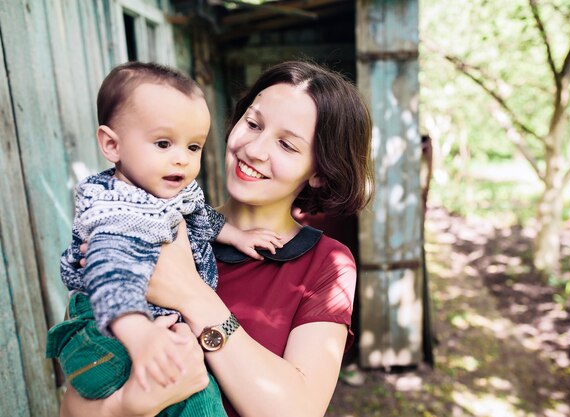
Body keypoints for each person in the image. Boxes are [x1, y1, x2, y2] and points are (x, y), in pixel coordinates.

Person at [58, 60, 374, 417]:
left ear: (319, 171)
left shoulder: (326, 264)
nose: (254, 149)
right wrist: (131, 405)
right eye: (253, 124)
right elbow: (73, 403)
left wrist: (191, 295)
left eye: (286, 145)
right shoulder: (148, 222)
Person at [47, 62, 281, 417]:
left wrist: (237, 236)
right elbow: (111, 277)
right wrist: (139, 335)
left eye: (193, 147)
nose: (181, 159)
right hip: (112, 336)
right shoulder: (118, 212)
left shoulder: (170, 189)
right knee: (200, 400)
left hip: (145, 325)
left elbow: (200, 216)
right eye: (163, 143)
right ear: (112, 144)